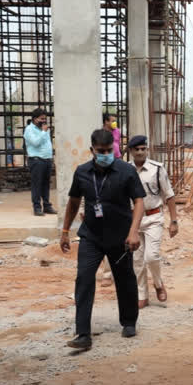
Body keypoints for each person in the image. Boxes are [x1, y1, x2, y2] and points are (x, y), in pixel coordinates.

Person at [59, 129, 146, 350]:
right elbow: (73, 202)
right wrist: (65, 230)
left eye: (109, 151)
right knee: (84, 279)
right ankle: (83, 333)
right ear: (92, 150)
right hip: (92, 236)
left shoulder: (126, 171)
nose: (105, 154)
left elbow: (139, 202)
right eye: (101, 151)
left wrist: (134, 231)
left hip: (121, 237)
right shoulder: (82, 172)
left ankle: (128, 322)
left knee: (125, 279)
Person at [127, 135, 179, 309]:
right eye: (137, 149)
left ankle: (158, 283)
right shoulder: (125, 169)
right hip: (133, 220)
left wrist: (174, 221)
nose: (141, 152)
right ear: (131, 151)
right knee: (137, 259)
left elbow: (169, 195)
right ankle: (142, 294)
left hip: (153, 218)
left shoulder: (157, 169)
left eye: (143, 148)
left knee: (151, 256)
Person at [23, 108, 56, 216]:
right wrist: (43, 132)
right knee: (37, 184)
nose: (43, 121)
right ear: (34, 119)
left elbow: (47, 143)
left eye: (45, 119)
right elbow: (35, 143)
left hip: (47, 160)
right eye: (41, 119)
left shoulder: (44, 129)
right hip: (36, 160)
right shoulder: (29, 130)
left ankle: (47, 206)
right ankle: (37, 207)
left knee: (46, 184)